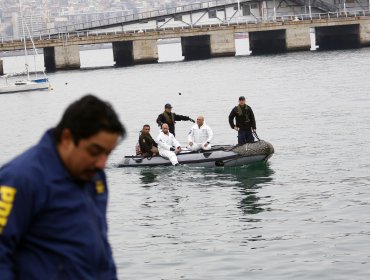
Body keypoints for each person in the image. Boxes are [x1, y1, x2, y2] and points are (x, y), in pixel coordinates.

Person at [0, 94, 126, 280]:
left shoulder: (95, 178)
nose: (102, 163)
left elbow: (100, 252)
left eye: (108, 154)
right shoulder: (20, 179)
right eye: (95, 151)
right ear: (67, 138)